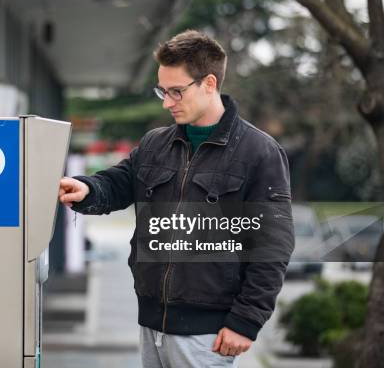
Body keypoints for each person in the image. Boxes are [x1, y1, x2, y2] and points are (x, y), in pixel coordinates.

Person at [59, 30, 294, 368]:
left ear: (209, 83)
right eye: (162, 91)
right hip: (152, 325)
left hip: (207, 335)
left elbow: (273, 246)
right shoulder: (156, 143)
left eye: (176, 91)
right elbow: (120, 183)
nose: (167, 102)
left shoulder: (259, 153)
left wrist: (245, 322)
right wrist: (88, 189)